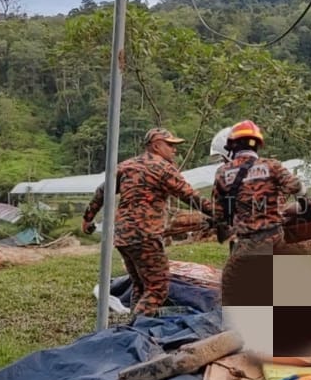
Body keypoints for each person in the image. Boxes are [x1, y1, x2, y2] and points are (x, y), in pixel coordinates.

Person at [81, 127, 214, 316]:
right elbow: (190, 196)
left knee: (140, 284)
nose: (174, 150)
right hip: (145, 234)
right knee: (158, 287)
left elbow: (102, 191)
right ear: (157, 145)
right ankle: (136, 327)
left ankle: (135, 326)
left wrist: (87, 218)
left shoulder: (126, 166)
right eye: (170, 145)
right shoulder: (163, 168)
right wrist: (219, 213)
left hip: (122, 235)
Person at [212, 119, 307, 305]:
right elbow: (296, 186)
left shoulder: (223, 173)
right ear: (257, 145)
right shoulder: (272, 166)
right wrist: (306, 204)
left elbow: (219, 213)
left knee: (230, 287)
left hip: (249, 243)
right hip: (275, 238)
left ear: (232, 146)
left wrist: (224, 229)